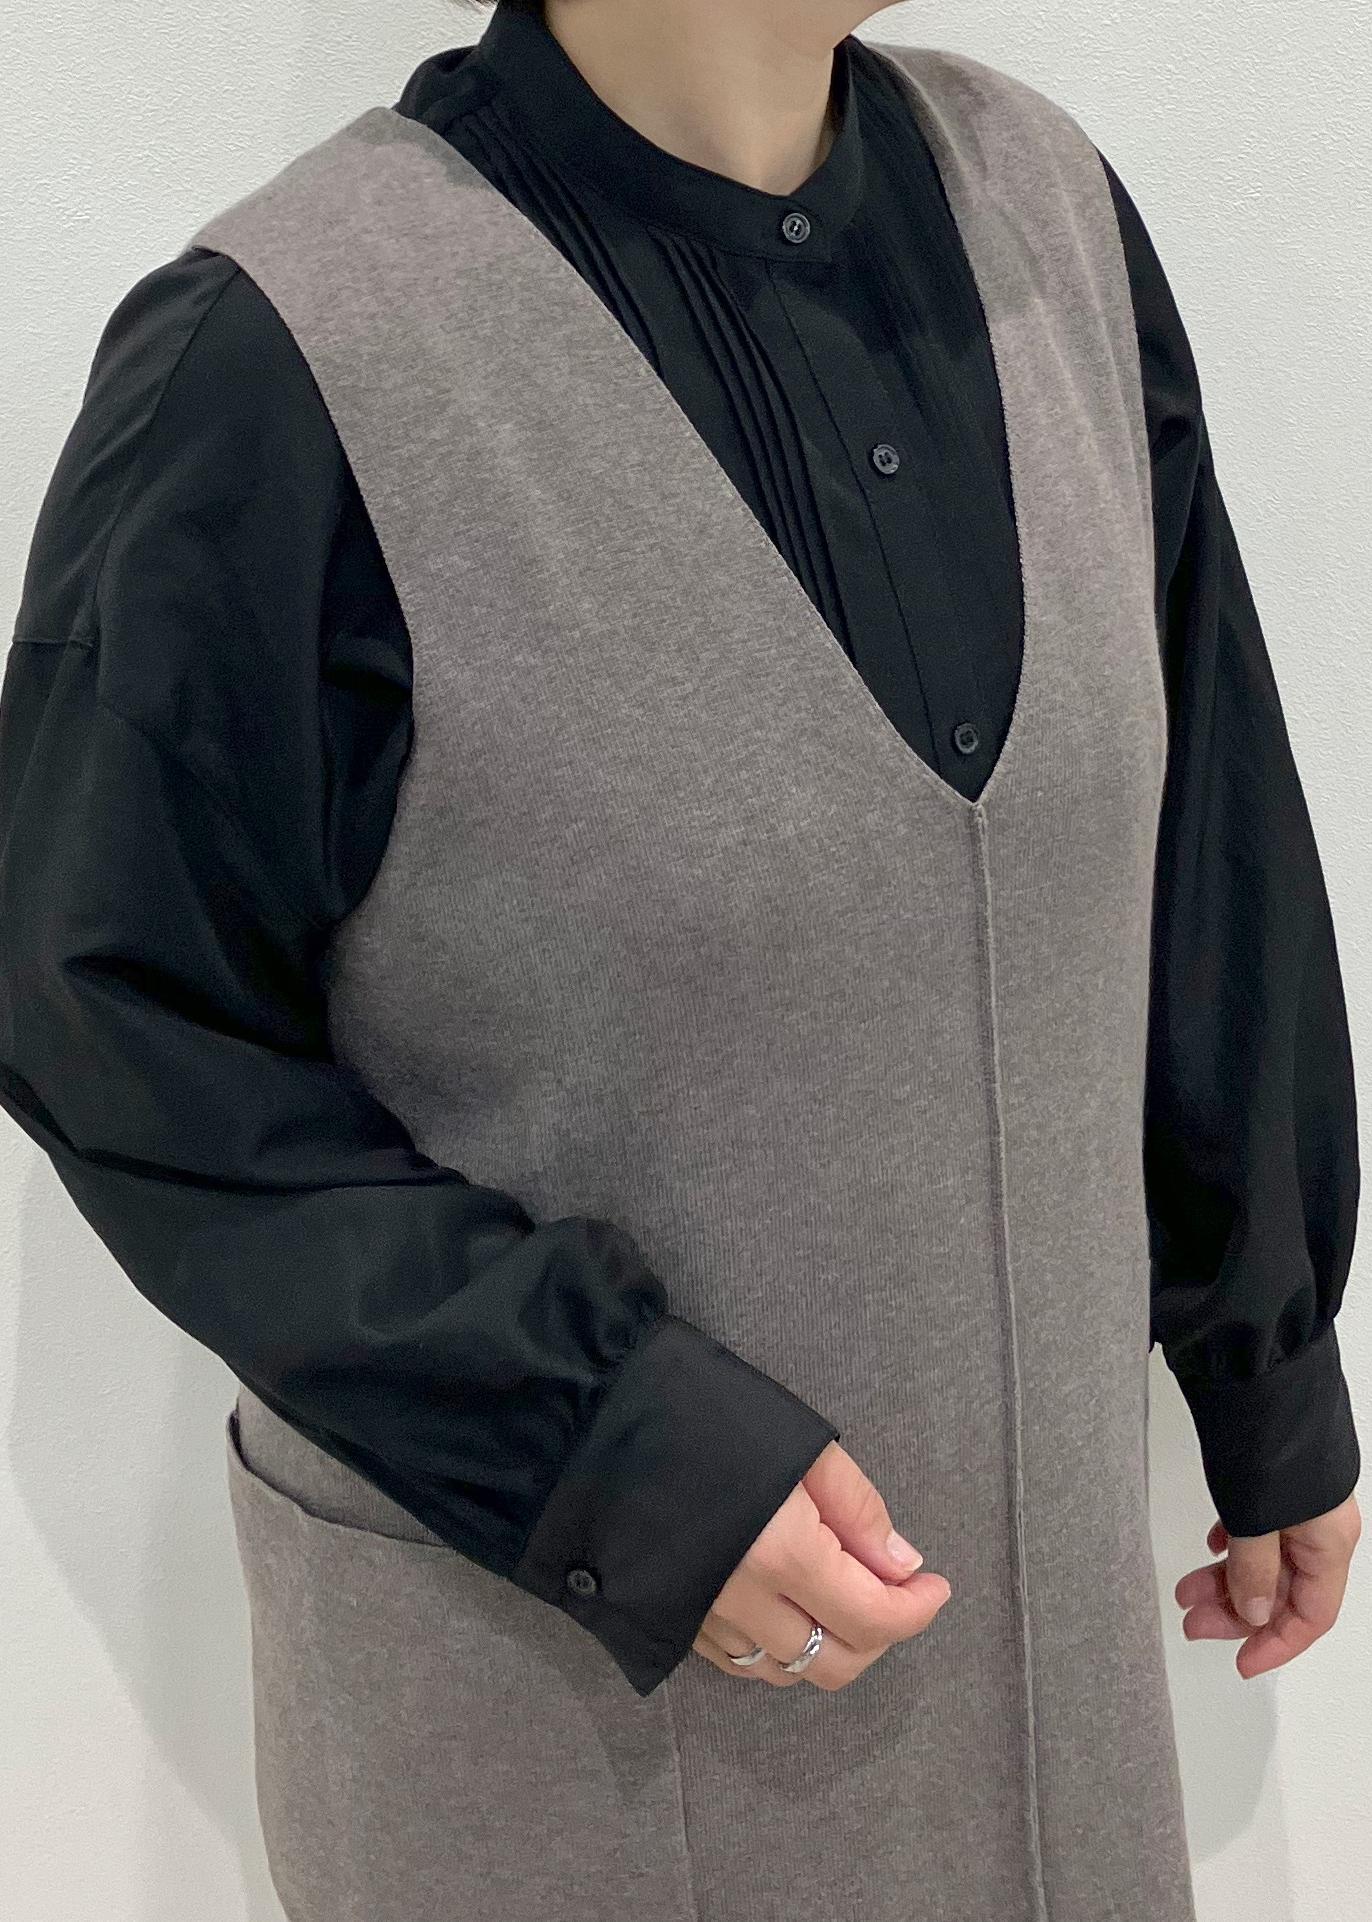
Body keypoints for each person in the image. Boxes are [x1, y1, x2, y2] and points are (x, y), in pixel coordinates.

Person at [0, 1, 1360, 1918]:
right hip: (557, 1755)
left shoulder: (1050, 222)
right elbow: (104, 1014)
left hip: (1051, 1720)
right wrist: (589, 1432)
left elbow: (1203, 831)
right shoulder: (286, 354)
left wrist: (1265, 1356)